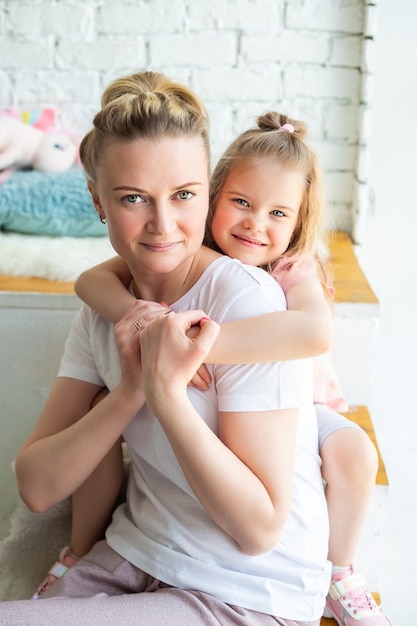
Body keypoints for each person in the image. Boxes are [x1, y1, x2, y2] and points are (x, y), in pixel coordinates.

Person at [0, 71, 331, 626]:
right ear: (96, 200)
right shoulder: (105, 310)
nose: (162, 224)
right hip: (136, 556)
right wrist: (129, 391)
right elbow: (37, 486)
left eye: (183, 196)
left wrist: (166, 391)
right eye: (133, 198)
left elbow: (258, 530)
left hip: (243, 589)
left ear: (207, 190)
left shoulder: (243, 301)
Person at [63, 111, 390, 626]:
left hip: (305, 404)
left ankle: (340, 570)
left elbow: (313, 333)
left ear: (299, 221)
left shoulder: (292, 268)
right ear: (213, 198)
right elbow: (89, 282)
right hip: (225, 406)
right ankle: (79, 551)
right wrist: (138, 319)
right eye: (241, 202)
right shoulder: (191, 255)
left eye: (278, 213)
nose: (255, 224)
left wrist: (188, 350)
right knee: (104, 406)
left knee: (354, 451)